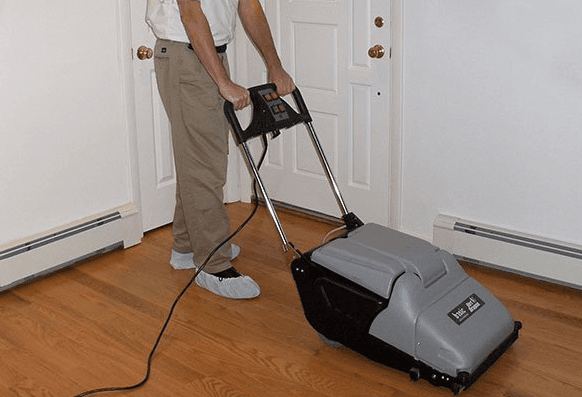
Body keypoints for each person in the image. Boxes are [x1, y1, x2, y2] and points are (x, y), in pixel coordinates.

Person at [146, 0, 295, 299]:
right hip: (187, 54)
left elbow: (249, 6)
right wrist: (222, 81)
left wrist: (274, 64)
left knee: (198, 157)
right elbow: (191, 14)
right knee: (205, 162)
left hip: (207, 53)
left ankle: (187, 247)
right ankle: (213, 264)